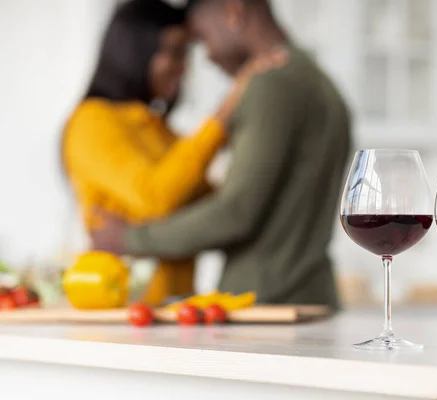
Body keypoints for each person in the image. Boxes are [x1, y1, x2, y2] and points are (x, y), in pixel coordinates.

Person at [91, 0, 353, 308]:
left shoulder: (270, 86)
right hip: (315, 296)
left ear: (234, 12)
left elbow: (236, 212)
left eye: (202, 38)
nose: (207, 55)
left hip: (267, 304)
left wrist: (130, 240)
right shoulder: (321, 82)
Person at [62, 0, 285, 306]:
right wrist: (224, 116)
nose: (184, 66)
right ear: (134, 50)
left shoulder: (158, 129)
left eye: (186, 53)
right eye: (174, 52)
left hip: (169, 309)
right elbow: (155, 198)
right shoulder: (92, 121)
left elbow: (208, 204)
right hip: (121, 306)